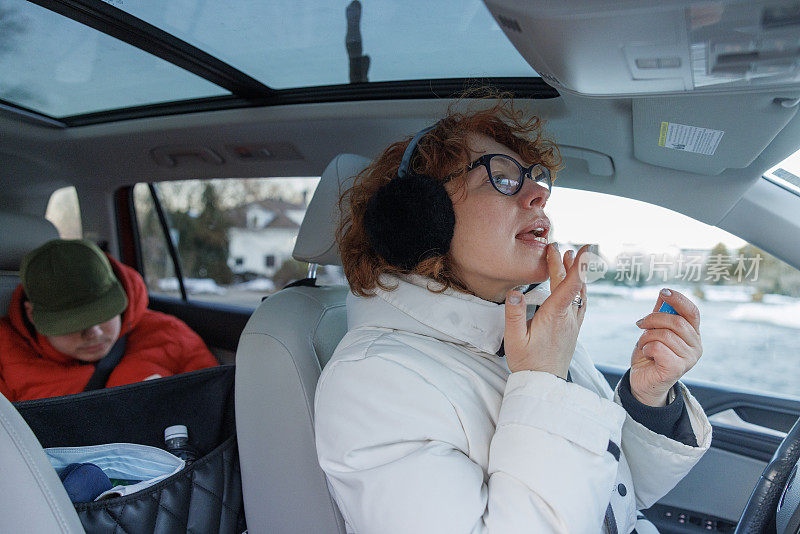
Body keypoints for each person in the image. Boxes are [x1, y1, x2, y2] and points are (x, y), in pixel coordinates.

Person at [314, 98, 711, 533]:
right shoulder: (371, 385)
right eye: (501, 178)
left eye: (537, 179)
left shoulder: (533, 327)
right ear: (420, 217)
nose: (539, 192)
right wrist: (542, 382)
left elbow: (612, 496)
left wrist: (646, 399)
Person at [0, 239, 218, 402]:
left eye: (103, 314)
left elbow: (217, 410)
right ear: (32, 315)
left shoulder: (171, 336)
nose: (94, 332)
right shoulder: (5, 354)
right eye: (72, 323)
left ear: (120, 294)